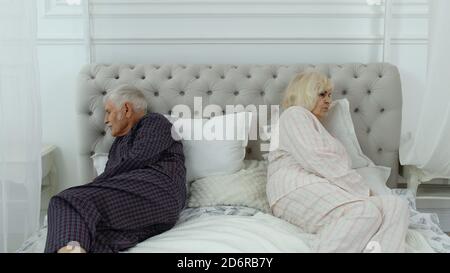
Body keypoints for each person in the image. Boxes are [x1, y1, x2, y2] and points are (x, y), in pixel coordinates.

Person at [266, 71, 409, 253]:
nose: (328, 100)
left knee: (396, 206)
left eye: (329, 95)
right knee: (366, 212)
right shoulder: (295, 115)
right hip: (294, 186)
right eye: (321, 94)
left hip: (320, 186)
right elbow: (319, 159)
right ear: (305, 94)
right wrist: (364, 191)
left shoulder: (318, 128)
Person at [44, 85, 186, 253]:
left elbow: (138, 158)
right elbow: (112, 184)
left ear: (126, 109)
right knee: (92, 236)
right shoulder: (117, 146)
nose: (105, 120)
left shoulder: (154, 122)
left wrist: (91, 187)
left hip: (158, 192)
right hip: (144, 213)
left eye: (108, 112)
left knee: (66, 200)